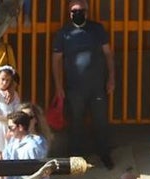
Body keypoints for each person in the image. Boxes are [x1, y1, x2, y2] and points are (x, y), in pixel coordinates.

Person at [52, 0, 114, 168]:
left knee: (100, 122)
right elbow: (56, 61)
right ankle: (76, 160)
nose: (77, 13)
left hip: (97, 86)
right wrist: (58, 87)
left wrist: (111, 78)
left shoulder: (97, 29)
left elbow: (108, 54)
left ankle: (104, 154)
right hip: (73, 87)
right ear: (69, 13)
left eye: (81, 10)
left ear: (87, 12)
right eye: (74, 11)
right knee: (76, 123)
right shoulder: (64, 33)